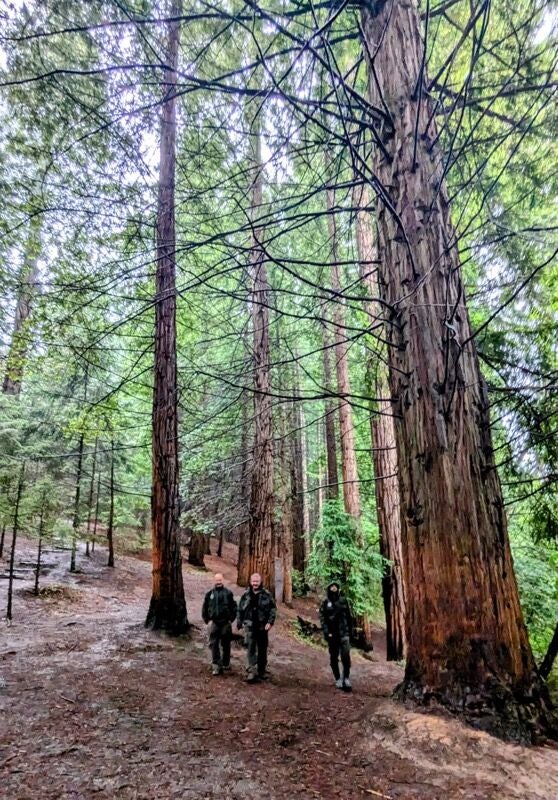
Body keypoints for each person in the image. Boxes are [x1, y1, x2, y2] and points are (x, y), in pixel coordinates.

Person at [237, 572, 277, 682]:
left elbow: (273, 609)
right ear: (250, 582)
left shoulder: (267, 594)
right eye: (253, 581)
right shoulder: (246, 595)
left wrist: (270, 622)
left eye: (257, 581)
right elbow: (240, 609)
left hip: (262, 627)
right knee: (251, 649)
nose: (255, 583)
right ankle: (251, 672)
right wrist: (239, 622)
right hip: (250, 626)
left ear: (260, 582)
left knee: (262, 650)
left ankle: (261, 671)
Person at [202, 573, 237, 675]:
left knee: (226, 644)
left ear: (223, 580)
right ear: (214, 581)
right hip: (214, 623)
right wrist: (207, 620)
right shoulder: (209, 594)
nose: (218, 582)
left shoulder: (228, 593)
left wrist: (231, 619)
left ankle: (226, 663)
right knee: (214, 644)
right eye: (217, 580)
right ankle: (216, 666)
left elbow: (234, 607)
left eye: (220, 580)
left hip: (226, 623)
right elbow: (204, 608)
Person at [319, 581, 353, 691]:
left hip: (344, 634)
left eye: (335, 586)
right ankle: (338, 678)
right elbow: (323, 619)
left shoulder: (344, 601)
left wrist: (350, 631)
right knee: (333, 658)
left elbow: (349, 617)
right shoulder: (325, 603)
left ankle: (346, 678)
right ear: (329, 588)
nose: (334, 588)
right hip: (332, 635)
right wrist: (326, 632)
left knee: (346, 657)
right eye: (332, 586)